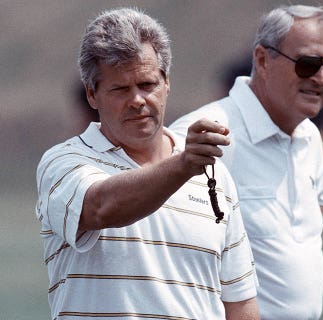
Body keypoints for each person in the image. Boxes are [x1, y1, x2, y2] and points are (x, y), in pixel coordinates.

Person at [35, 8, 259, 319]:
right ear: (91, 95)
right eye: (120, 89)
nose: (137, 100)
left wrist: (187, 163)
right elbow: (101, 207)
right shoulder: (63, 163)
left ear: (167, 83)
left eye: (147, 84)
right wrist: (182, 166)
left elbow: (240, 302)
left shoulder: (213, 172)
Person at [171, 5, 323, 319]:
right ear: (263, 60)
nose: (321, 78)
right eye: (307, 64)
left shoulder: (311, 139)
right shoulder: (203, 135)